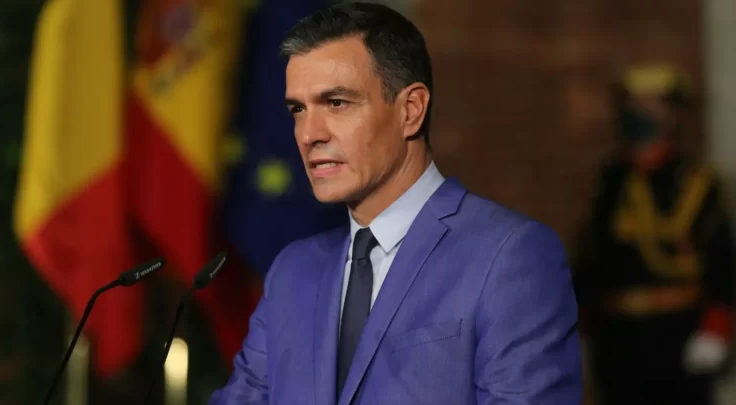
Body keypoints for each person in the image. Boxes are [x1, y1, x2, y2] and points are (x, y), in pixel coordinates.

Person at [209, 3, 582, 404]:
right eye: (298, 109)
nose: (308, 134)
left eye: (336, 103)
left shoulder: (510, 256)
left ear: (411, 110)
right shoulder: (292, 270)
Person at [574, 64, 735, 405]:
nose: (639, 114)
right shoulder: (610, 180)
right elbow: (591, 258)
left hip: (680, 333)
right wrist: (578, 326)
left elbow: (722, 260)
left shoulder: (696, 182)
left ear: (671, 115)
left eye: (651, 105)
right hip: (618, 337)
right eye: (633, 105)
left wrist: (716, 327)